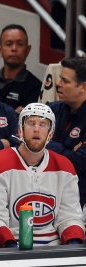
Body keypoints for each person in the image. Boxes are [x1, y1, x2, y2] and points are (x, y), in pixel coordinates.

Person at [0, 103, 85, 248]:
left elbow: (70, 217)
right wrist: (11, 248)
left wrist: (73, 246)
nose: (36, 129)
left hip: (52, 249)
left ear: (50, 133)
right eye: (31, 123)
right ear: (20, 130)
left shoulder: (65, 167)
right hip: (8, 248)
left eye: (43, 124)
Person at [45, 57, 86, 208]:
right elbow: (26, 142)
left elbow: (79, 162)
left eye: (65, 81)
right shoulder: (51, 110)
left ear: (83, 87)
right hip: (46, 191)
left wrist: (46, 143)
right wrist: (68, 151)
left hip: (79, 200)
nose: (57, 84)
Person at [0, 24, 42, 114]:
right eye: (9, 44)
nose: (14, 48)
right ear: (0, 50)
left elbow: (25, 122)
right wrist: (12, 113)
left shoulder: (35, 87)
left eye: (20, 44)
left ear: (28, 50)